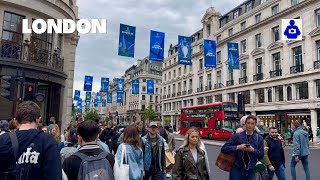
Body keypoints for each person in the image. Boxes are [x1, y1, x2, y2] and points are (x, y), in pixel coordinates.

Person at [0, 101, 62, 180]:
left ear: (15, 121)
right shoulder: (48, 141)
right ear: (38, 119)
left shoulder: (3, 139)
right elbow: (54, 175)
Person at [221, 115, 264, 180]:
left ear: (255, 125)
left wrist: (253, 150)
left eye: (252, 123)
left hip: (251, 169)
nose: (250, 125)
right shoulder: (237, 136)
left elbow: (261, 154)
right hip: (237, 167)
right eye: (248, 123)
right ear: (245, 124)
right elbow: (224, 148)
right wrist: (238, 147)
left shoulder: (259, 138)